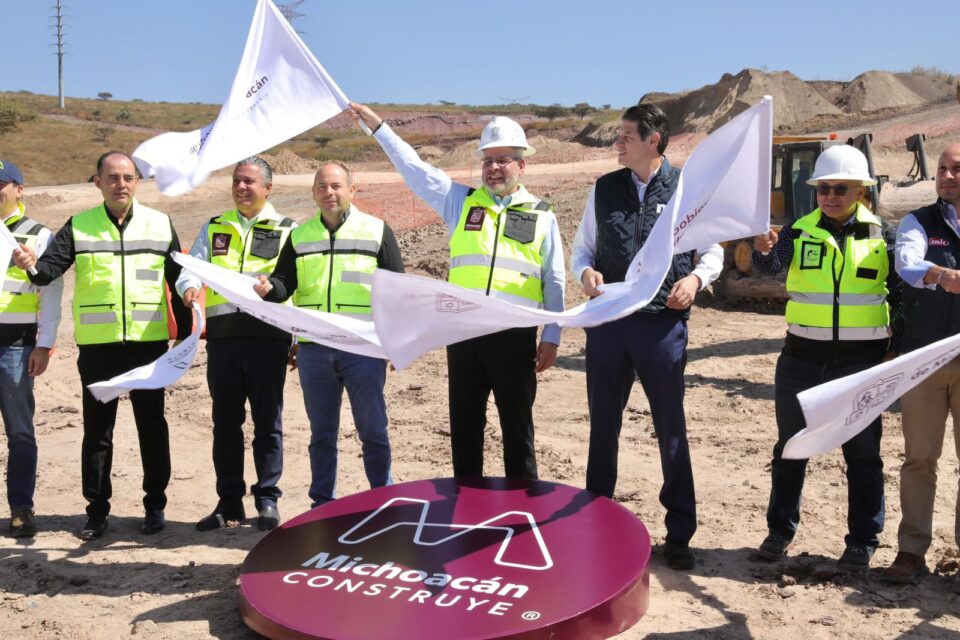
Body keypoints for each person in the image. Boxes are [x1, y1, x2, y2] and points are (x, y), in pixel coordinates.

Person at [350, 103, 565, 480]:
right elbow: (416, 171)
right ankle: (467, 503)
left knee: (518, 431)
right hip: (463, 335)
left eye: (503, 160)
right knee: (465, 428)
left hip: (514, 337)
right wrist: (380, 128)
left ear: (521, 165)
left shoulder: (541, 214)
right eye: (488, 160)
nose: (493, 168)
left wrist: (552, 335)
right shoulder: (461, 202)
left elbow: (554, 278)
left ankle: (523, 506)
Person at [570, 103, 723, 571]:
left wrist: (695, 280)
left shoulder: (686, 190)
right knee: (603, 428)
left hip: (662, 325)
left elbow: (712, 252)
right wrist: (586, 274)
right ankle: (597, 521)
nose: (617, 143)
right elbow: (582, 251)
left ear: (652, 141)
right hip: (609, 324)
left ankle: (679, 533)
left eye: (626, 136)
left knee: (670, 429)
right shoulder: (604, 189)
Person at [14, 151, 192, 540]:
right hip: (99, 348)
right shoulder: (79, 225)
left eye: (127, 177)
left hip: (147, 346)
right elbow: (48, 272)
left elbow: (178, 277)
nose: (120, 184)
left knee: (152, 427)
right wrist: (31, 264)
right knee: (97, 432)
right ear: (97, 182)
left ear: (137, 182)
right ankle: (96, 512)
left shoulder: (160, 223)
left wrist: (185, 331)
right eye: (112, 177)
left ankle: (155, 506)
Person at [752, 144, 897, 570]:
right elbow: (768, 268)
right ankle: (780, 531)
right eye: (823, 188)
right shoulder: (797, 232)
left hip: (860, 364)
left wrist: (897, 347)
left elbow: (900, 295)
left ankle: (863, 540)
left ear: (860, 191)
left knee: (863, 454)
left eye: (840, 188)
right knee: (791, 448)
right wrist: (762, 249)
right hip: (801, 359)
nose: (830, 196)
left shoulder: (883, 235)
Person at [254, 161, 404, 506]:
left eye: (336, 186)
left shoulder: (377, 231)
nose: (329, 192)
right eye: (322, 186)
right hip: (315, 350)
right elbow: (285, 283)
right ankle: (322, 505)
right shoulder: (300, 236)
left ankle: (383, 500)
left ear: (352, 190)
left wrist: (396, 342)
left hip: (362, 350)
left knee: (373, 430)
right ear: (313, 193)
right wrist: (269, 288)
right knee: (321, 434)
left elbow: (399, 291)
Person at [177, 157, 295, 531]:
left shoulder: (288, 230)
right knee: (225, 424)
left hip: (268, 338)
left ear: (268, 188)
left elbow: (296, 285)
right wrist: (188, 288)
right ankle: (229, 503)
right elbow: (191, 267)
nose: (241, 187)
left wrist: (297, 336)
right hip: (224, 339)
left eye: (249, 181)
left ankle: (267, 500)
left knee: (268, 423)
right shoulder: (215, 226)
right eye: (236, 180)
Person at [883, 143, 960, 583]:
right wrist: (940, 275)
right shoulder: (918, 221)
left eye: (956, 169)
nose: (947, 176)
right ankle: (911, 551)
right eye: (942, 169)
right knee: (919, 460)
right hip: (925, 359)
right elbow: (907, 263)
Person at [1, 160, 63, 538]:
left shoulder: (39, 235)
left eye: (1, 184)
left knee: (20, 431)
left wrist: (44, 345)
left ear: (19, 189)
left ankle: (21, 508)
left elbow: (51, 293)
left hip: (16, 346)